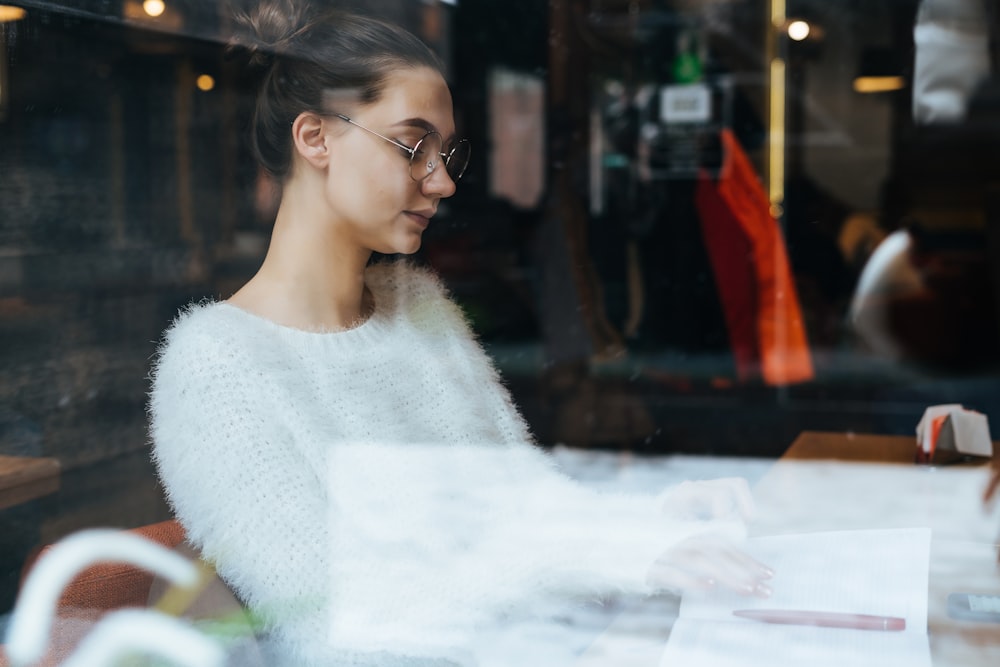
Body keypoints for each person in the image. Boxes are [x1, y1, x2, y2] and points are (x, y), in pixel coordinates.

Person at [148, 2, 773, 664]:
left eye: (447, 153)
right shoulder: (216, 366)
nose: (441, 180)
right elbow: (338, 627)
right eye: (414, 145)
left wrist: (659, 519)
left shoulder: (419, 306)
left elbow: (526, 506)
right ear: (316, 138)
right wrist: (629, 554)